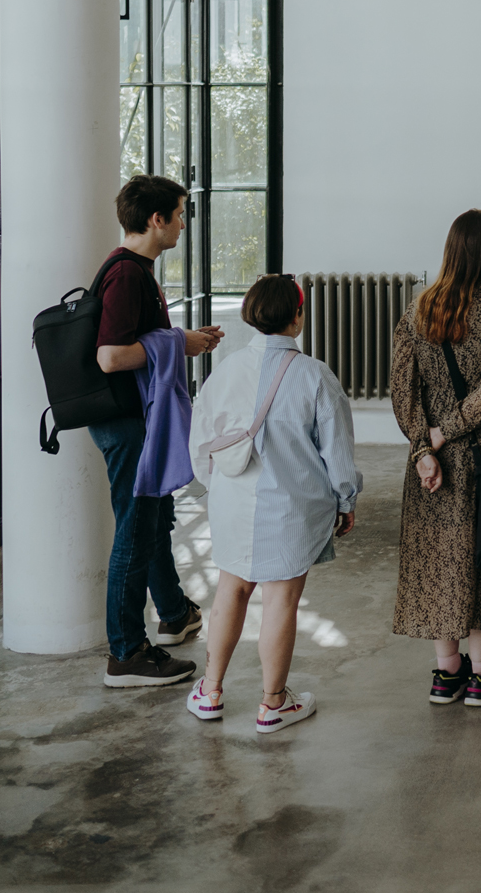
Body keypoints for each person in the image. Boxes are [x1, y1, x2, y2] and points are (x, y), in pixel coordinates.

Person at [184, 276, 357, 734]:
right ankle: (273, 704)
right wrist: (345, 499)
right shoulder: (316, 376)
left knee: (231, 590)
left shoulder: (225, 370)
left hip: (232, 503)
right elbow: (337, 453)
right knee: (281, 599)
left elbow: (200, 444)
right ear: (297, 316)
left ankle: (210, 692)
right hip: (293, 507)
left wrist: (220, 488)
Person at [392, 211, 481, 709]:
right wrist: (444, 432)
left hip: (435, 462)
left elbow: (402, 390)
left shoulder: (418, 309)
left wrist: (424, 447)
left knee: (440, 558)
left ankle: (446, 674)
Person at [91, 175, 222, 688]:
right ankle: (125, 653)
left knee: (154, 516)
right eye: (180, 214)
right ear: (156, 219)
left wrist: (181, 340)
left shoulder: (135, 269)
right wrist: (179, 342)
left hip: (133, 420)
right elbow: (110, 357)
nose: (184, 223)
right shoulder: (126, 275)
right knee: (134, 530)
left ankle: (171, 612)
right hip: (125, 425)